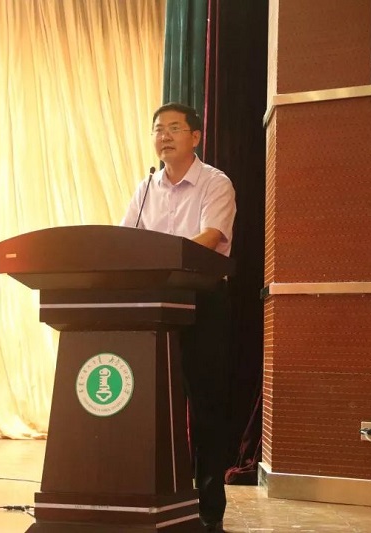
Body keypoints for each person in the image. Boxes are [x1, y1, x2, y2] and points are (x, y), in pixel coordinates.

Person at [121, 103, 236, 532]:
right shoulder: (146, 188)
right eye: (158, 129)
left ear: (196, 136)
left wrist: (161, 257)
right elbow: (124, 240)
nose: (164, 136)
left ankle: (208, 508)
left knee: (205, 406)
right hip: (153, 307)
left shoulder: (215, 182)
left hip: (201, 303)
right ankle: (153, 497)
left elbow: (211, 237)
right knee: (148, 404)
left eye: (174, 128)